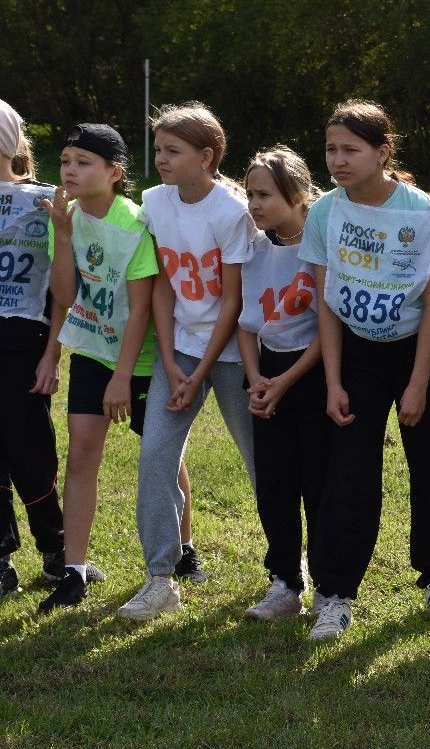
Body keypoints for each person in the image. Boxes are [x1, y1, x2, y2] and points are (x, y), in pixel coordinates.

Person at [303, 101, 430, 641]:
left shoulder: (422, 213)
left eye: (352, 149)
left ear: (383, 152)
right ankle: (336, 593)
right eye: (332, 149)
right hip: (355, 356)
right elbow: (326, 303)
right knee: (349, 472)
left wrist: (419, 384)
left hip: (415, 354)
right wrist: (332, 381)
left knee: (429, 468)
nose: (339, 160)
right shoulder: (325, 213)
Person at [118, 103, 260, 620]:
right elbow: (160, 284)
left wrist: (200, 370)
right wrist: (174, 363)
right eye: (157, 149)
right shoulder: (154, 202)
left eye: (172, 151)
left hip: (230, 353)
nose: (160, 159)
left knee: (259, 460)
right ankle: (160, 578)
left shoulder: (232, 211)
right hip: (176, 351)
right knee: (155, 454)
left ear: (207, 156)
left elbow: (233, 300)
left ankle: (287, 569)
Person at [39, 125, 154, 612]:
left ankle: (183, 550)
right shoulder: (61, 216)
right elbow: (64, 297)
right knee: (82, 455)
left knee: (160, 456)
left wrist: (123, 377)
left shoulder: (136, 224)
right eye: (66, 160)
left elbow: (141, 310)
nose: (70, 169)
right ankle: (74, 570)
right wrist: (63, 235)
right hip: (91, 349)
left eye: (83, 162)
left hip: (141, 359)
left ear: (114, 173)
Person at [236, 147, 330, 621]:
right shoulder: (253, 248)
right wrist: (255, 379)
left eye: (264, 194)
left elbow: (325, 330)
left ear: (296, 196)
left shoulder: (318, 246)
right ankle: (284, 583)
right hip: (266, 374)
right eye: (250, 193)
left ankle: (327, 585)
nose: (253, 203)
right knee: (273, 483)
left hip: (310, 376)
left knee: (315, 482)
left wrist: (286, 382)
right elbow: (246, 323)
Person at [0, 99, 67, 597]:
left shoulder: (45, 199)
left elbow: (64, 286)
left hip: (25, 338)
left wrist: (52, 353)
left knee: (31, 449)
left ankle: (55, 550)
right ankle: (1, 559)